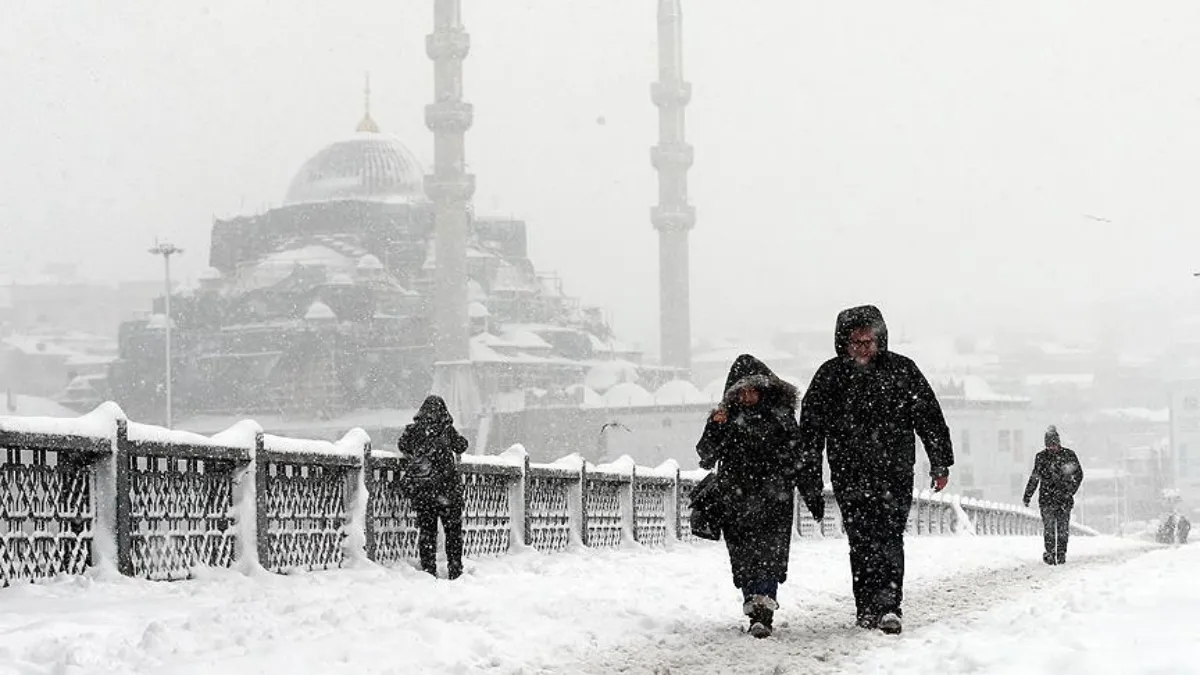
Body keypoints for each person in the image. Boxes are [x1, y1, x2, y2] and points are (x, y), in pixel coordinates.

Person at [797, 305, 954, 634]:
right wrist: (809, 478)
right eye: (857, 343)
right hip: (849, 473)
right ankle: (866, 606)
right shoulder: (830, 377)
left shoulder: (902, 371)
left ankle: (888, 605)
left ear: (880, 340)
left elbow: (929, 417)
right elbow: (810, 432)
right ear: (845, 343)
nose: (863, 349)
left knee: (889, 537)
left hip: (894, 472)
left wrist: (940, 461)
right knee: (861, 540)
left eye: (869, 342)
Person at [696, 354, 820, 639]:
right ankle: (752, 602)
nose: (749, 395)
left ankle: (763, 608)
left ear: (765, 389)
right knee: (743, 556)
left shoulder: (781, 417)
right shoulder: (726, 418)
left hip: (774, 499)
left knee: (769, 555)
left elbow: (799, 457)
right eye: (743, 390)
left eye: (754, 389)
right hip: (736, 500)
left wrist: (810, 491)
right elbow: (705, 456)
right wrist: (716, 426)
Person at [397, 395, 469, 579]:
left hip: (424, 491)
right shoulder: (446, 430)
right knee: (453, 533)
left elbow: (402, 445)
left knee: (427, 532)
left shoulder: (414, 430)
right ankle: (455, 569)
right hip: (447, 490)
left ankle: (429, 570)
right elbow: (461, 446)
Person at [1022, 425, 1084, 565]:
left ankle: (1061, 553)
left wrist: (1070, 491)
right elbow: (1035, 477)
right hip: (1047, 499)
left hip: (1063, 499)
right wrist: (1028, 495)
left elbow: (1078, 474)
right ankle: (1050, 552)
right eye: (1049, 445)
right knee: (1049, 528)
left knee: (1062, 528)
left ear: (1058, 443)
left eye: (1053, 444)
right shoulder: (1041, 457)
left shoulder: (1069, 455)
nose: (1051, 448)